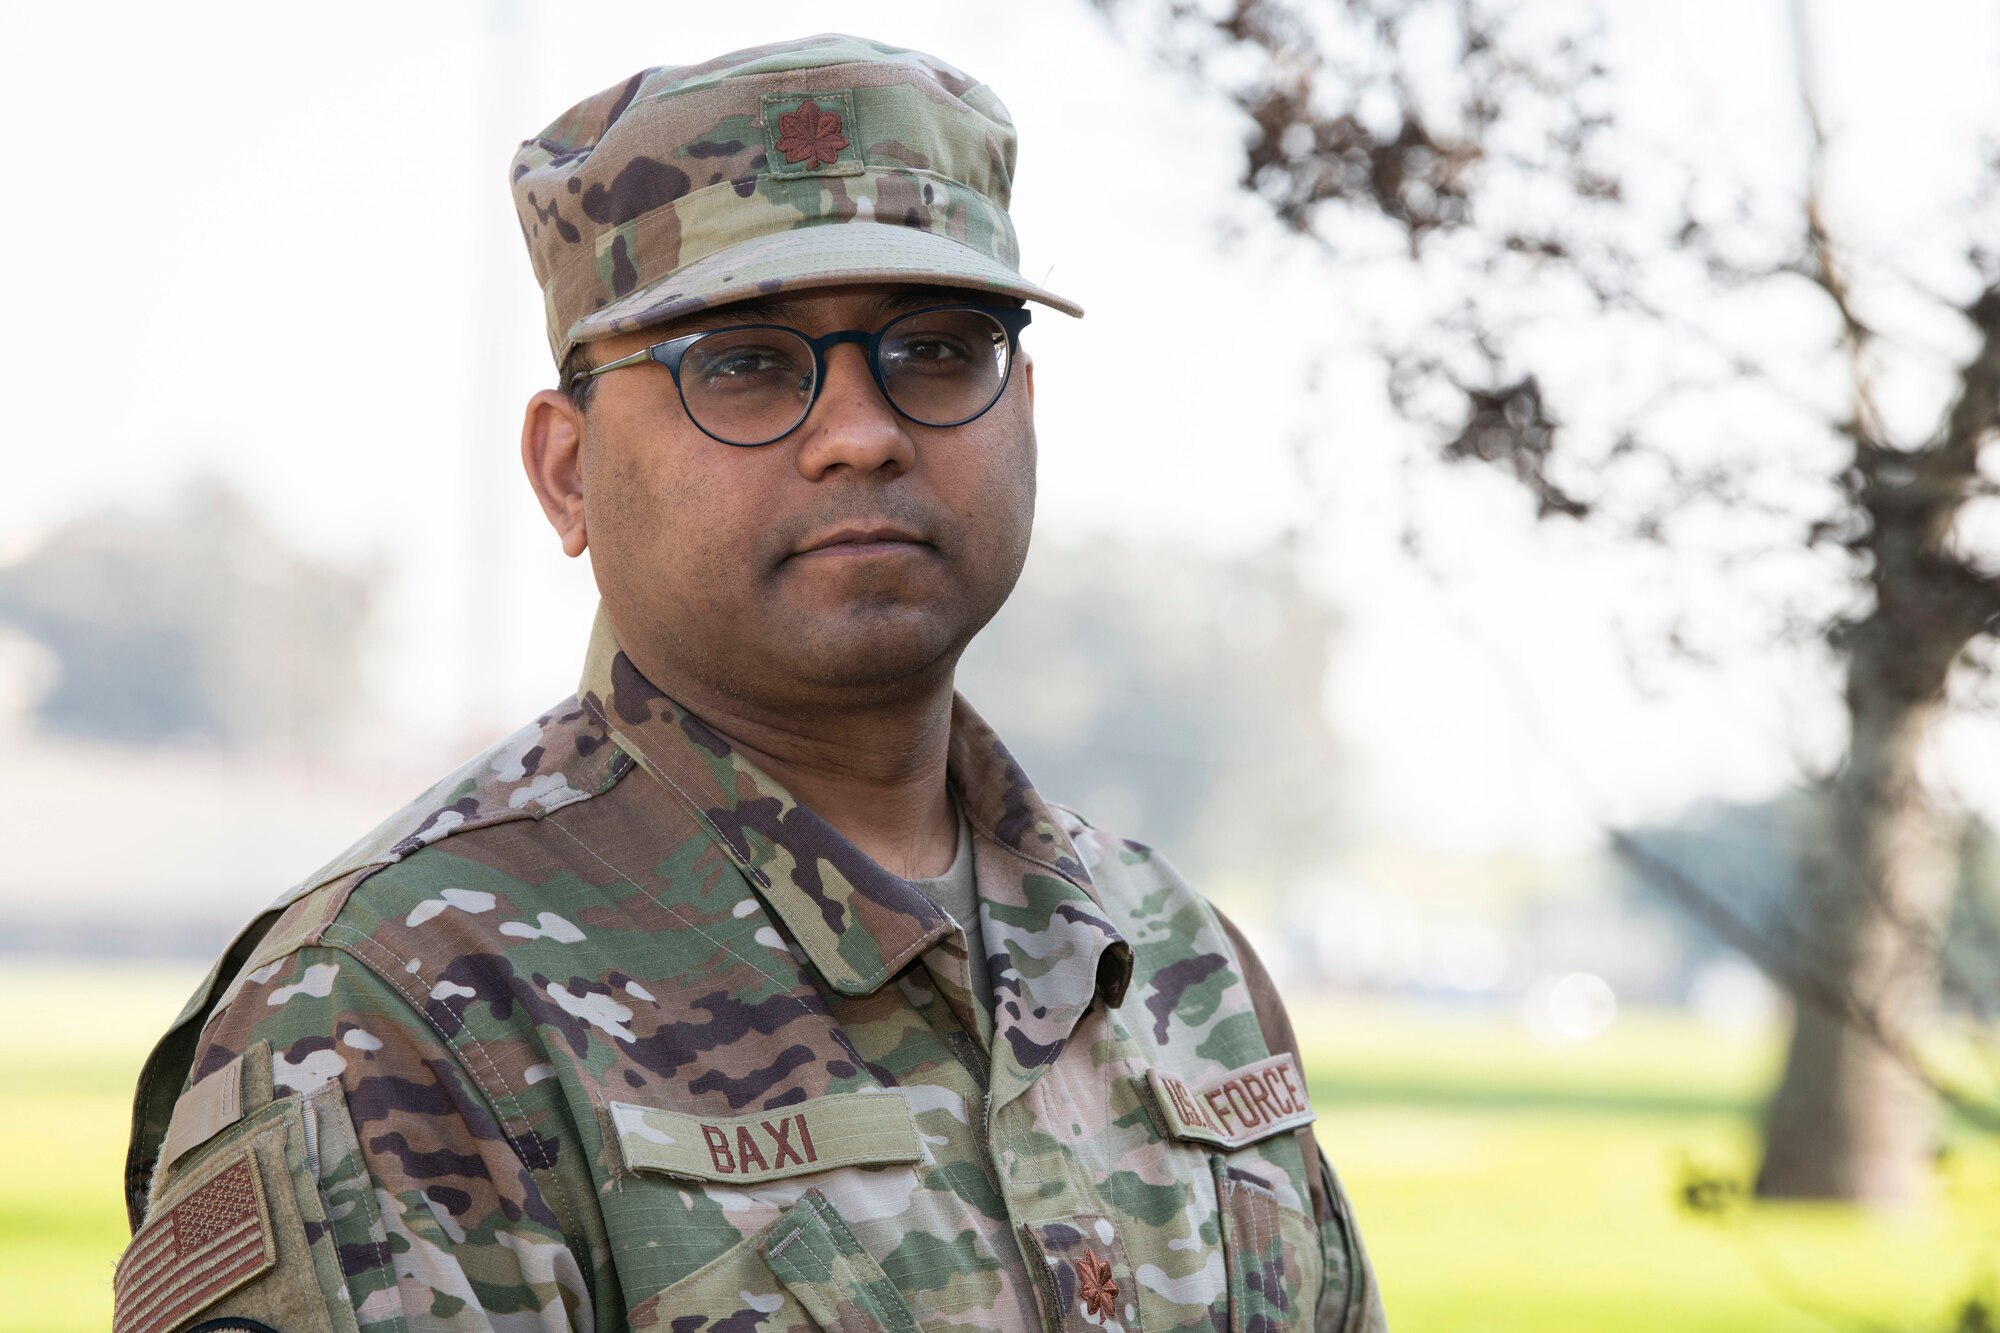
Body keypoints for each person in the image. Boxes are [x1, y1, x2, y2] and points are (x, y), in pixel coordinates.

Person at [114, 33, 1386, 1333]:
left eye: (938, 349)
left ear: (1028, 415)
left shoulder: (1177, 961)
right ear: (566, 472)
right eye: (742, 363)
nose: (861, 432)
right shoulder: (398, 1004)